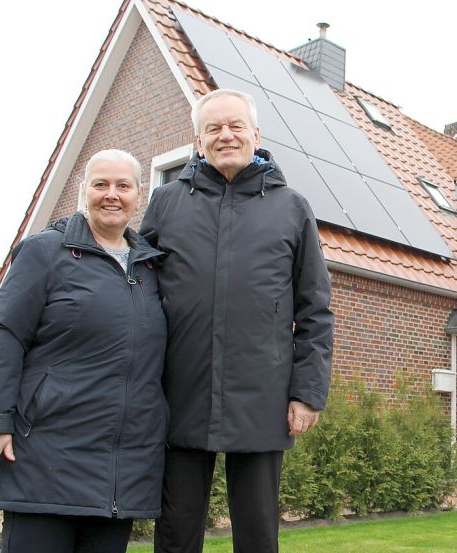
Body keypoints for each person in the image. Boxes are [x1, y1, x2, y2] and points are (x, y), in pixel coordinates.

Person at [141, 88, 334, 553]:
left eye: (235, 126)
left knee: (258, 532)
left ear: (255, 134)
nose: (225, 135)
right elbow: (137, 293)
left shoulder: (292, 207)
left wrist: (306, 394)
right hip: (180, 391)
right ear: (198, 139)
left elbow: (315, 309)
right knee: (175, 529)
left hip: (262, 395)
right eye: (213, 128)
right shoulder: (165, 203)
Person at [0, 149, 167, 553]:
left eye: (123, 186)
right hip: (46, 459)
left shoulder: (151, 268)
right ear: (83, 192)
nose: (111, 195)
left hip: (119, 473)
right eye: (100, 184)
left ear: (138, 194)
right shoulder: (45, 252)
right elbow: (4, 337)